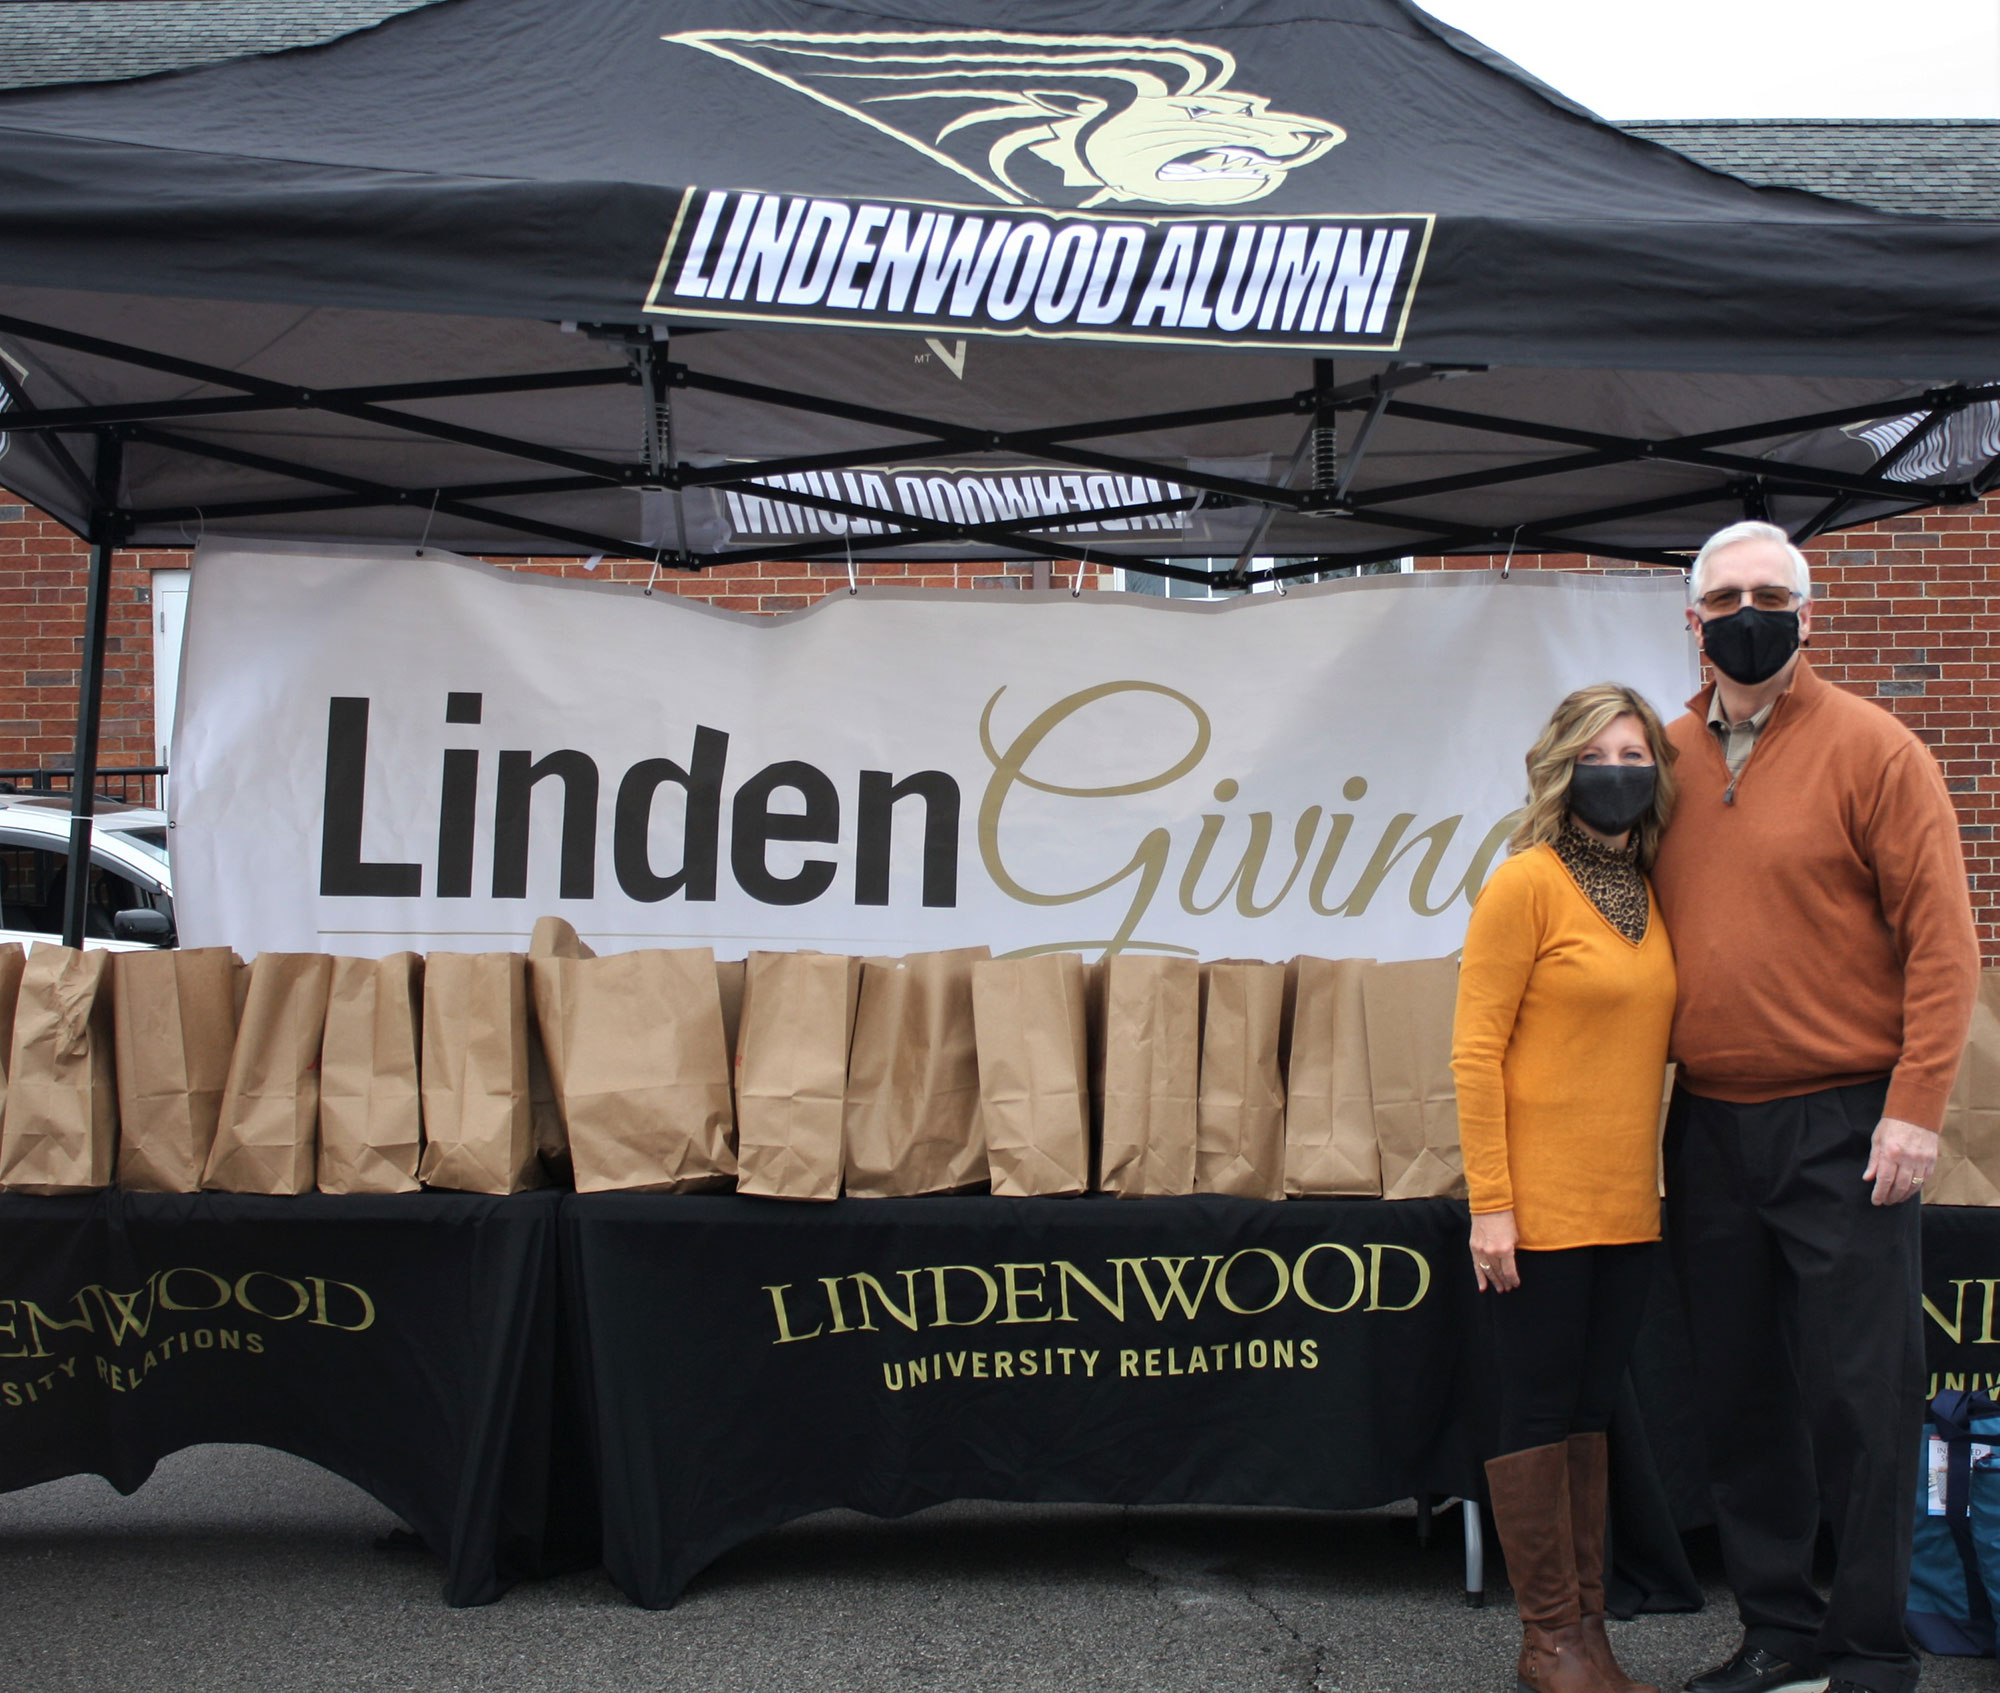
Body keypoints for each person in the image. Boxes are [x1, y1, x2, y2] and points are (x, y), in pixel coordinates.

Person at [1652, 520, 1979, 1693]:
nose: (1748, 611)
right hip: (1709, 1125)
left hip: (1847, 1126)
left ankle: (1866, 1650)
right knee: (1741, 1400)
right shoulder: (1659, 758)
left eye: (1769, 593)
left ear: (1806, 613)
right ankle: (1779, 1634)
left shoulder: (1876, 750)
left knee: (1860, 1401)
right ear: (1690, 622)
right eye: (1725, 595)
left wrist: (1913, 1108)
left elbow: (1942, 948)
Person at [1455, 682, 1681, 1693]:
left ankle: (1587, 1632)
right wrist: (1490, 1207)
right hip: (1535, 1211)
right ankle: (1546, 1640)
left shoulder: (1648, 888)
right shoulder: (1525, 882)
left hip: (1626, 1204)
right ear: (1561, 766)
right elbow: (1473, 1053)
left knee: (1589, 1413)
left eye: (1637, 753)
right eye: (1601, 751)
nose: (1620, 769)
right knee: (1536, 1411)